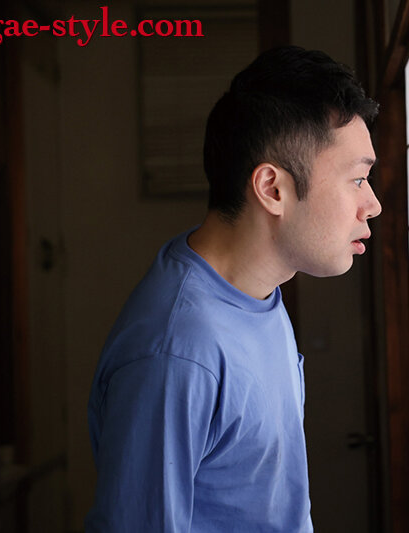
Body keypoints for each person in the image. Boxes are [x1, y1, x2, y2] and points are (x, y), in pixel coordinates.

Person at [84, 45, 382, 532]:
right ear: (272, 188)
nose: (372, 204)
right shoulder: (178, 350)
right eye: (358, 179)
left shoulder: (258, 292)